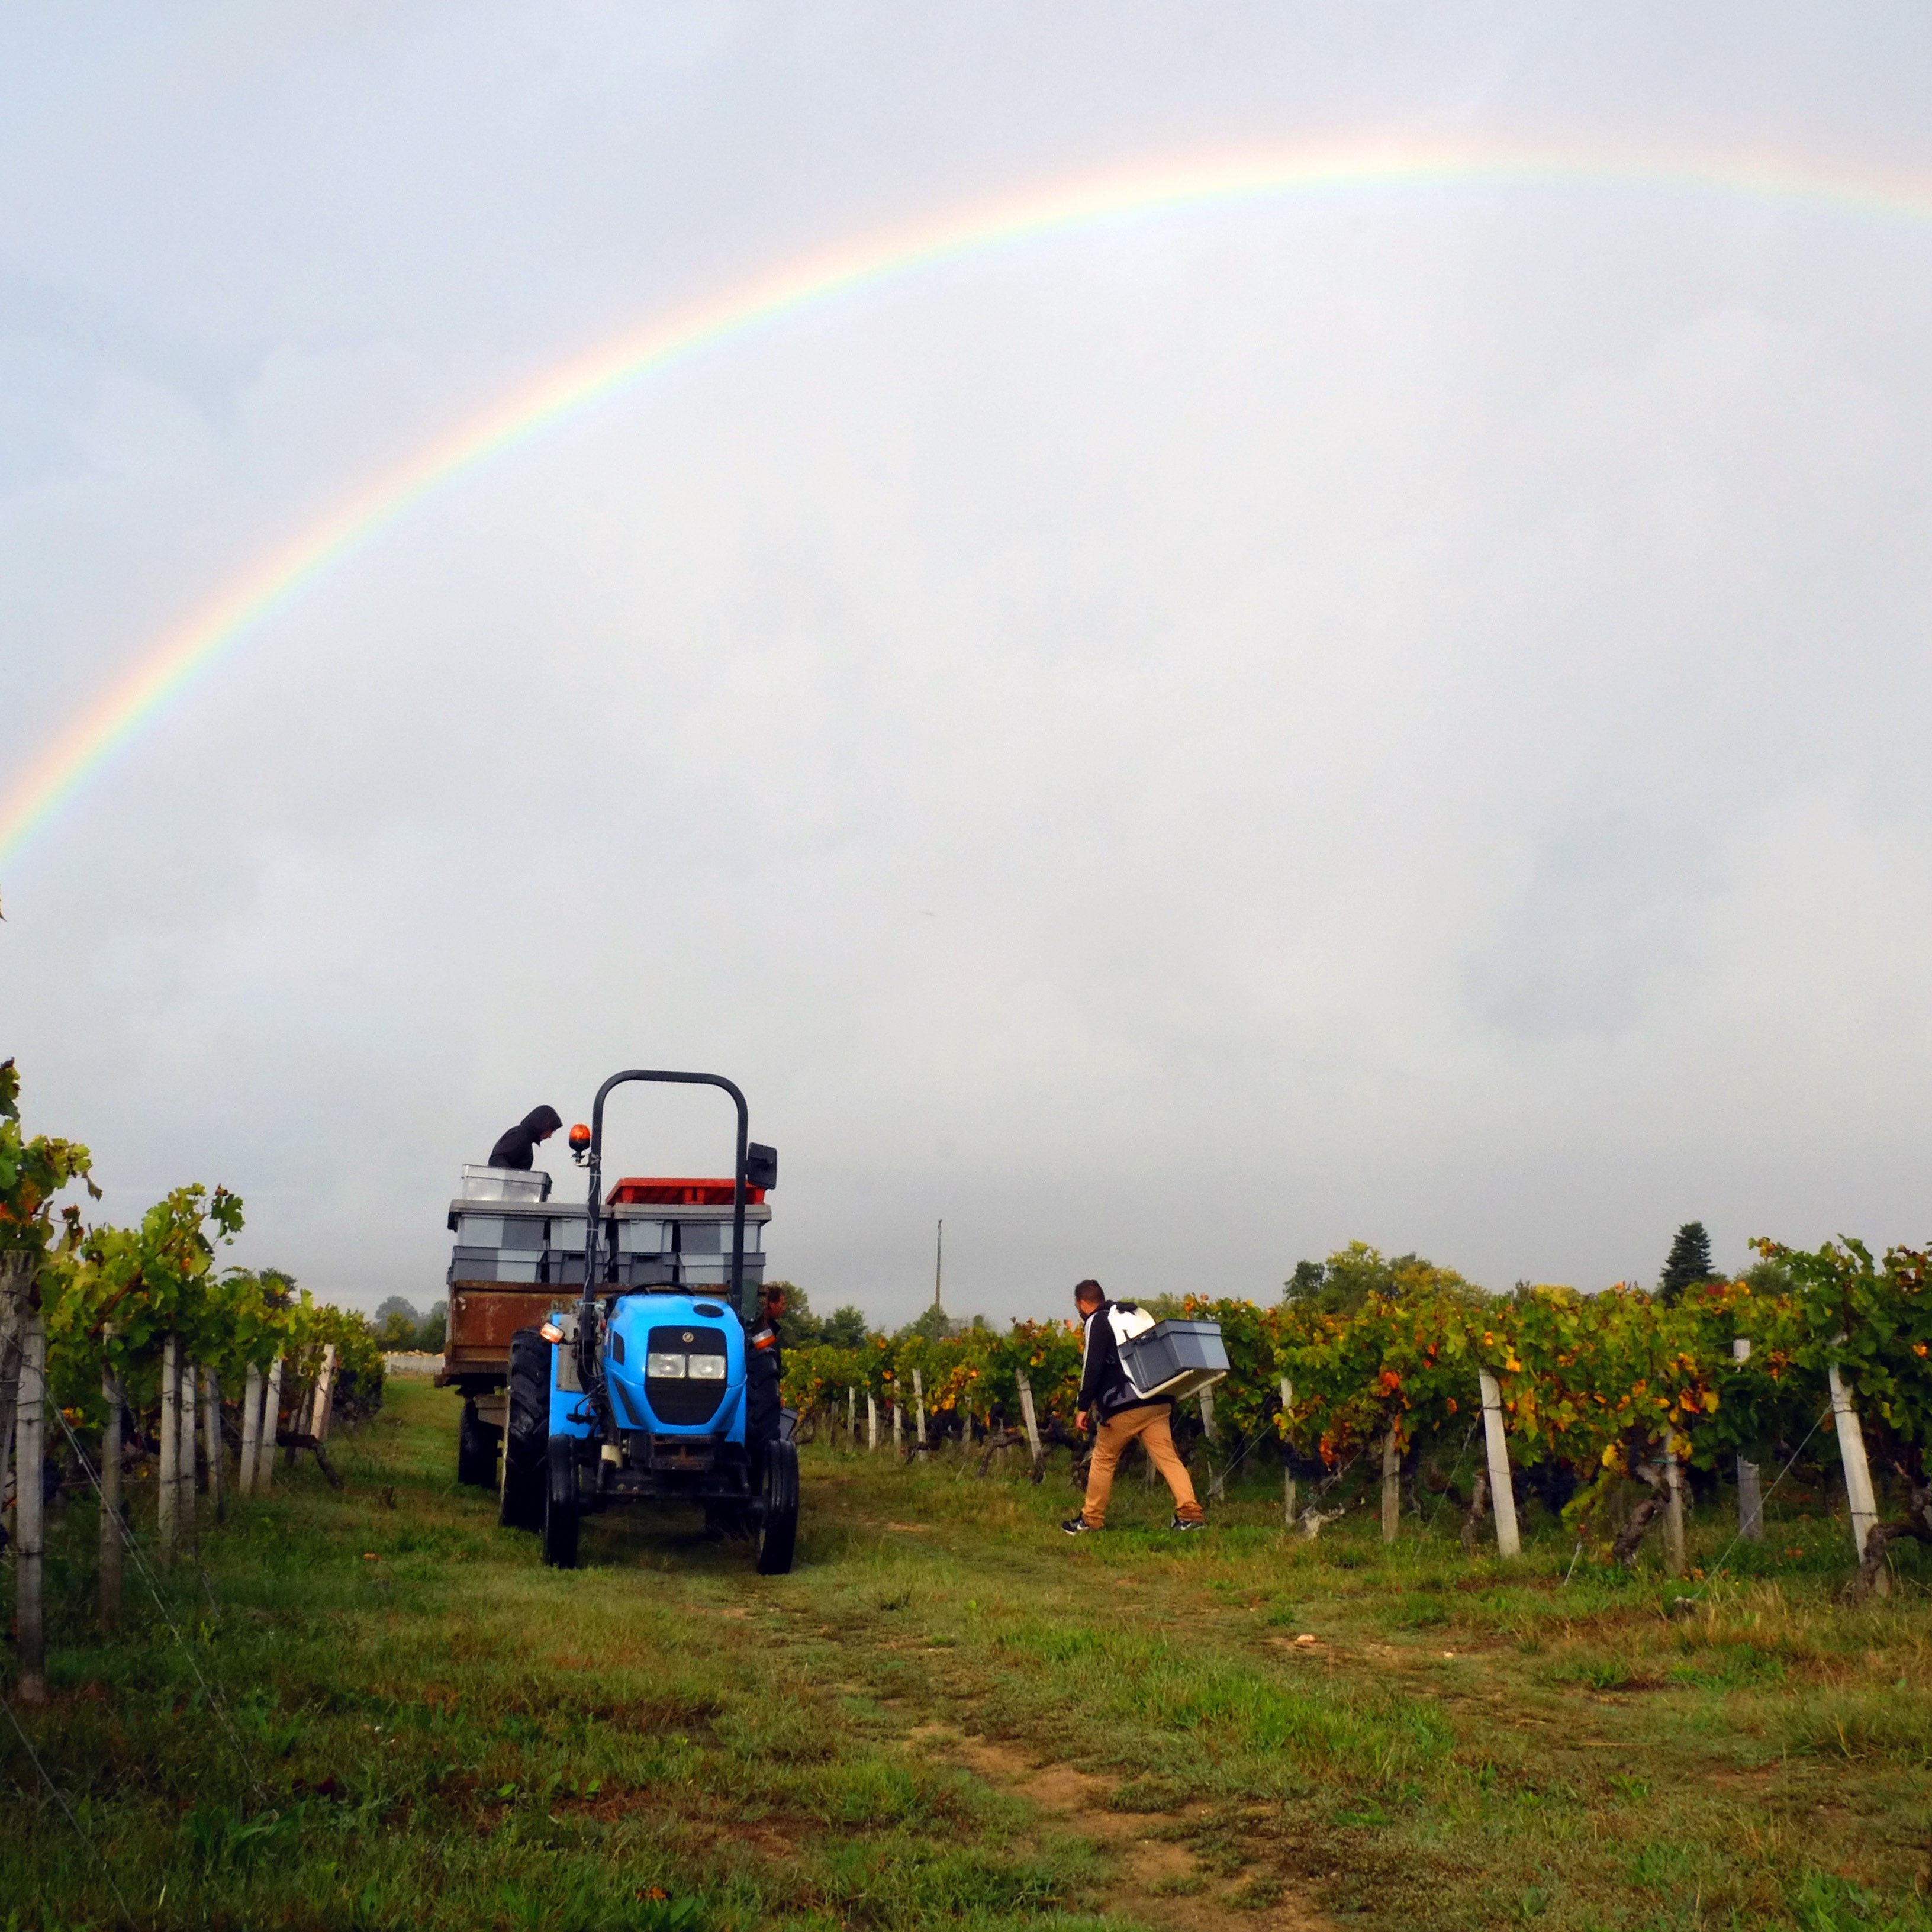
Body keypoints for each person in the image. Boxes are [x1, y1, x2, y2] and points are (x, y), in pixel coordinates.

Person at [1062, 1278, 1204, 1535]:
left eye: (1077, 1307)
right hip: (1158, 1398)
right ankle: (1191, 1516)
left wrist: (1083, 1407)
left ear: (1082, 1303)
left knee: (1103, 1459)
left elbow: (1092, 1366)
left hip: (1125, 1403)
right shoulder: (1132, 1314)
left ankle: (1091, 1520)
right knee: (1168, 1458)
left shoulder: (1098, 1321)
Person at [488, 1105, 562, 1171]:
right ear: (545, 1125)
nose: (550, 1136)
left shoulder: (525, 1138)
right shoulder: (520, 1135)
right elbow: (497, 1160)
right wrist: (509, 1179)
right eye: (552, 1130)